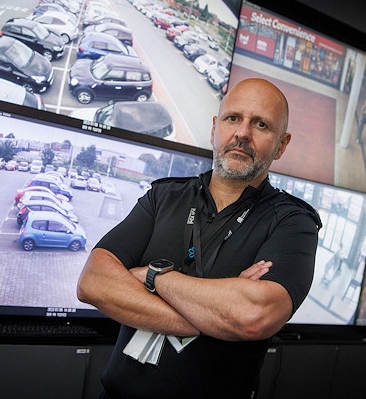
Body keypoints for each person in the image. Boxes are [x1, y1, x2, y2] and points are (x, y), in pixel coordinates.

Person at [77, 78, 322, 398]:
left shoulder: (292, 222)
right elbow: (93, 281)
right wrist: (212, 318)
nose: (242, 133)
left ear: (281, 145)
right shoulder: (164, 197)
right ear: (214, 128)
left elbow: (254, 315)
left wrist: (152, 277)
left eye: (261, 124)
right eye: (233, 118)